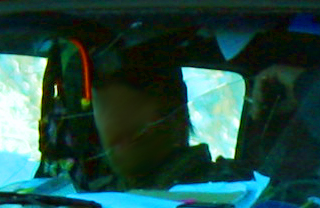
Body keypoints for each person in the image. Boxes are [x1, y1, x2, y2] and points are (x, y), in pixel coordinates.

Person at [79, 62, 218, 192]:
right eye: (105, 106)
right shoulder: (86, 199)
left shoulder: (224, 191)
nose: (116, 120)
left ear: (175, 108)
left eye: (133, 102)